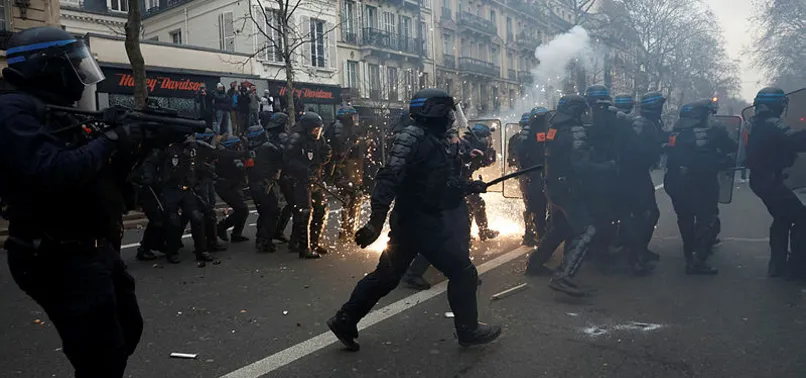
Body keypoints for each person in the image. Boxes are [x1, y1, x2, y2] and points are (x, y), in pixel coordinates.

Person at [0, 26, 143, 377]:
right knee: (101, 357)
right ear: (47, 65)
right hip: (56, 253)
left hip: (91, 246)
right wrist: (111, 139)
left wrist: (136, 143)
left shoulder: (54, 109)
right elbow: (50, 171)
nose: (79, 74)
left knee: (127, 331)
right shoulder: (11, 109)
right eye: (73, 64)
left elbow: (96, 172)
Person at [327, 88, 501, 351]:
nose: (451, 118)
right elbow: (389, 177)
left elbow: (437, 181)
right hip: (421, 222)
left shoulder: (434, 138)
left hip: (416, 220)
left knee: (387, 276)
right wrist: (375, 220)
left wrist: (468, 187)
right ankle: (468, 331)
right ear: (436, 113)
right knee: (463, 273)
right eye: (448, 112)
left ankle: (345, 319)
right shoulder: (413, 137)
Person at [524, 95, 611, 296]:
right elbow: (581, 165)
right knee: (587, 230)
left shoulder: (552, 128)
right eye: (582, 111)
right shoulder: (575, 130)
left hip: (553, 185)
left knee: (560, 227)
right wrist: (607, 167)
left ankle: (535, 263)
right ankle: (563, 276)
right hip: (569, 187)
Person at [664, 99, 737, 275]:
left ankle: (689, 254)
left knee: (685, 219)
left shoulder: (675, 132)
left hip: (674, 182)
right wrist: (722, 160)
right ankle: (697, 260)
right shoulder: (714, 132)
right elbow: (731, 147)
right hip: (701, 183)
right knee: (708, 220)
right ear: (703, 115)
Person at [746, 87, 806, 279]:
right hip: (770, 182)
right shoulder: (772, 124)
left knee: (782, 219)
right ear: (778, 105)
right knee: (802, 218)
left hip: (762, 180)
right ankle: (797, 268)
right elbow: (796, 142)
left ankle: (777, 265)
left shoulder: (757, 123)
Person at [619, 91, 665, 274]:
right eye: (659, 106)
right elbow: (635, 150)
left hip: (638, 174)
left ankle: (639, 251)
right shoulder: (640, 123)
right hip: (632, 175)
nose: (661, 109)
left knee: (645, 214)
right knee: (645, 214)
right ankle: (634, 257)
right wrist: (656, 149)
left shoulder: (651, 123)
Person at [161, 138, 218, 264]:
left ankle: (201, 251)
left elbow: (198, 163)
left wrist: (208, 172)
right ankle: (172, 251)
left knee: (197, 217)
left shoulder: (192, 147)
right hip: (171, 189)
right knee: (173, 220)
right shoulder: (165, 147)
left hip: (187, 188)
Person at [284, 112, 332, 259]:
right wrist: (304, 170)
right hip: (299, 180)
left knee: (321, 209)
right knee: (304, 212)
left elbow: (319, 159)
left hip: (314, 180)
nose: (317, 132)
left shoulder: (319, 139)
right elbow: (288, 160)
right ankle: (304, 248)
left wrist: (326, 155)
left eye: (319, 129)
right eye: (314, 129)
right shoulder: (296, 138)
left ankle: (315, 243)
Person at [246, 113, 288, 253]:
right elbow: (282, 158)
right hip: (265, 185)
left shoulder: (250, 149)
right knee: (272, 212)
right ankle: (265, 241)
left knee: (263, 213)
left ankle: (260, 239)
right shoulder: (268, 147)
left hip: (254, 185)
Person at [326, 105, 366, 242]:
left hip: (345, 168)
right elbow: (340, 152)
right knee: (352, 196)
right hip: (339, 168)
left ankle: (348, 230)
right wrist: (352, 141)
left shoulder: (342, 127)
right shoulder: (339, 128)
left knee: (351, 197)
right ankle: (347, 230)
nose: (355, 119)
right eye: (353, 116)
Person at [462, 123, 500, 241]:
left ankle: (475, 232)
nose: (490, 141)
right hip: (457, 180)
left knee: (473, 205)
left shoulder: (471, 146)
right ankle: (475, 233)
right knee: (474, 204)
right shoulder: (466, 147)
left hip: (463, 179)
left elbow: (487, 162)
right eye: (487, 138)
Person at [215, 135, 250, 243]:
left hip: (230, 185)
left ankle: (236, 234)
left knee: (242, 209)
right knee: (242, 210)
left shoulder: (223, 153)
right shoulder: (230, 156)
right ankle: (221, 227)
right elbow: (241, 168)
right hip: (226, 187)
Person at [133, 147, 164, 261]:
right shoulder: (153, 155)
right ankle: (144, 249)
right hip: (148, 191)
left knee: (161, 218)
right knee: (156, 220)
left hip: (154, 189)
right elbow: (148, 170)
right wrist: (149, 179)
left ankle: (157, 243)